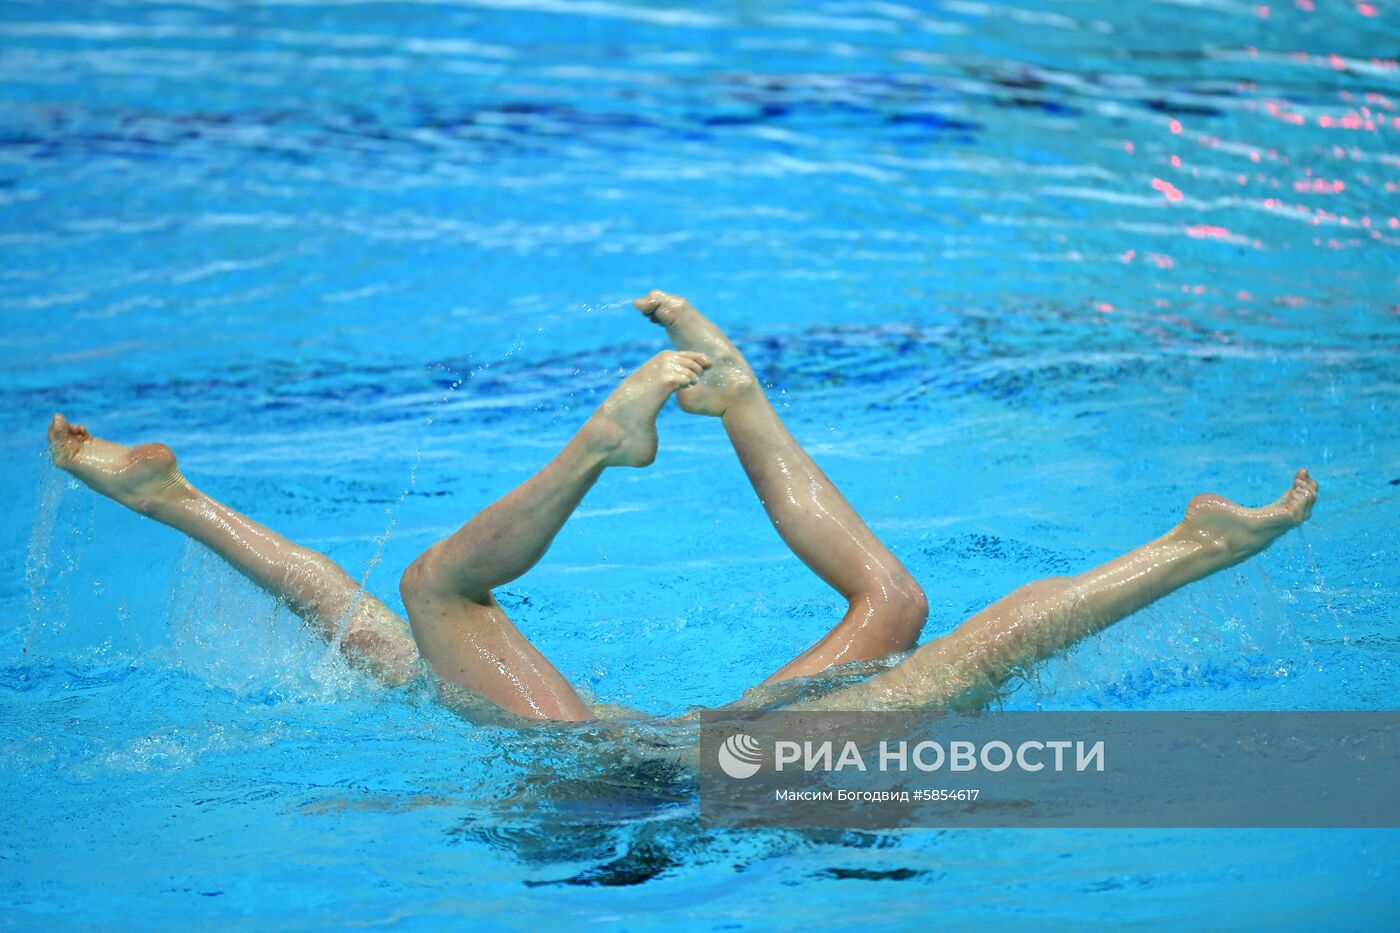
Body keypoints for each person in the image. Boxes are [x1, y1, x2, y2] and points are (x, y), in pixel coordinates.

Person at [45, 290, 1318, 721]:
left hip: (620, 769)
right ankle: (737, 402)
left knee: (417, 607)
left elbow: (352, 601)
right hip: (693, 763)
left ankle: (610, 445)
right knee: (915, 612)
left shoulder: (556, 762)